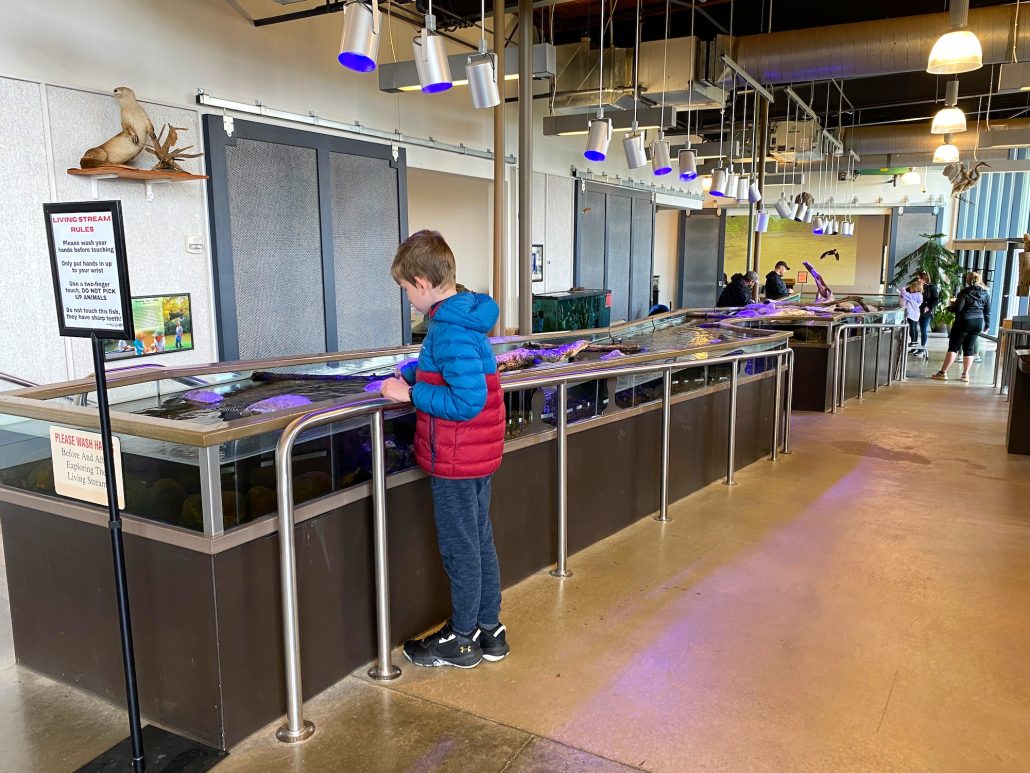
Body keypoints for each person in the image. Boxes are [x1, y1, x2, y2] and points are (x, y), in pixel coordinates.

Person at [379, 230, 508, 668]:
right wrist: (416, 371)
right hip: (476, 454)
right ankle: (490, 631)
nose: (407, 300)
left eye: (404, 291)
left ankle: (463, 638)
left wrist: (407, 396)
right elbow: (458, 370)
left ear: (420, 282)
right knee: (479, 540)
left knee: (461, 548)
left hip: (456, 456)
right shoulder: (462, 319)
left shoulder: (447, 328)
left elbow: (466, 401)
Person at [933, 271, 991, 382]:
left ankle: (942, 373)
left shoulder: (964, 293)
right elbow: (987, 311)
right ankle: (965, 375)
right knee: (969, 348)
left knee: (954, 347)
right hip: (978, 322)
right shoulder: (986, 294)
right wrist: (987, 324)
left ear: (968, 281)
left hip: (964, 321)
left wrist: (950, 306)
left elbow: (958, 309)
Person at [898, 278, 924, 349]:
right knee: (915, 327)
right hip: (916, 313)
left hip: (911, 313)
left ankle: (913, 342)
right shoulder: (920, 295)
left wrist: (907, 286)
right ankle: (915, 341)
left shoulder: (912, 295)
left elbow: (902, 291)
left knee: (912, 327)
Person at [917, 270, 939, 348]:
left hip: (926, 312)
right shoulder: (917, 286)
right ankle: (915, 346)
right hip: (916, 311)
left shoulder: (932, 287)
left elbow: (936, 300)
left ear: (924, 279)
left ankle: (922, 347)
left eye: (919, 278)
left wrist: (929, 306)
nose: (918, 280)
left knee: (923, 329)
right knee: (914, 329)